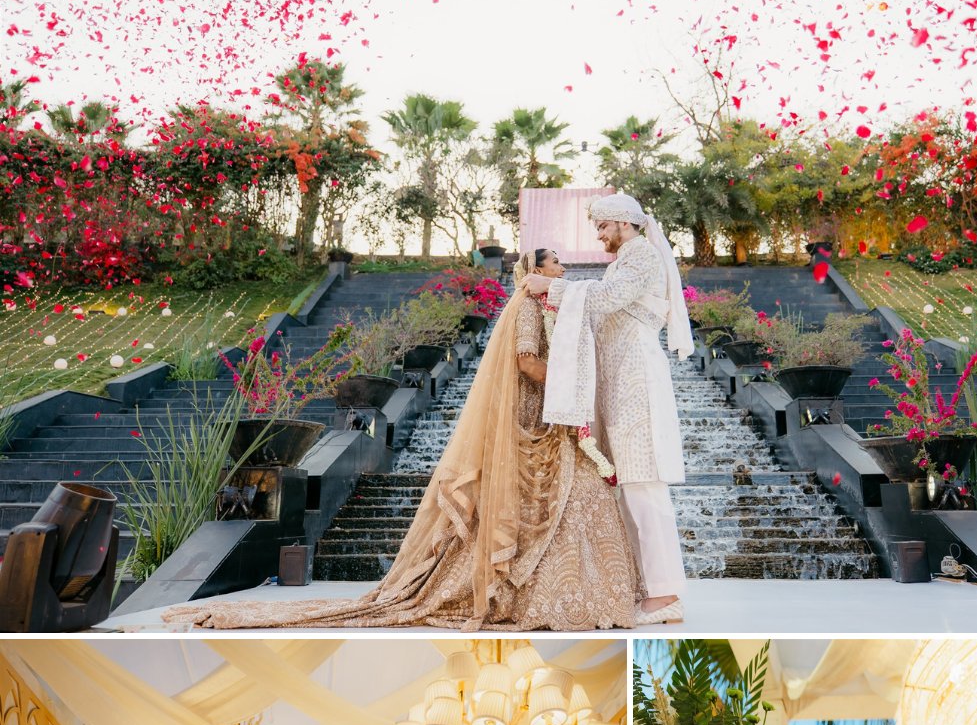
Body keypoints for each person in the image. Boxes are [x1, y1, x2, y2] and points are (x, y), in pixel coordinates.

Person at [164, 249, 638, 632]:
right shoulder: (529, 308)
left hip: (547, 420)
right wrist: (573, 383)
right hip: (534, 420)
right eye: (555, 261)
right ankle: (524, 590)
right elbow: (527, 362)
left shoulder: (545, 306)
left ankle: (560, 590)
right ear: (536, 272)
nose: (562, 267)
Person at [523, 192, 690, 624]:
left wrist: (553, 287)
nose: (598, 235)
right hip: (618, 381)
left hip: (637, 379)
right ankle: (650, 589)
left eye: (602, 226)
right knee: (628, 485)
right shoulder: (623, 261)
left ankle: (667, 593)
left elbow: (604, 298)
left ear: (623, 223)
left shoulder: (641, 257)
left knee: (644, 483)